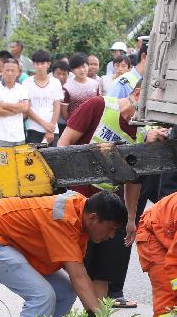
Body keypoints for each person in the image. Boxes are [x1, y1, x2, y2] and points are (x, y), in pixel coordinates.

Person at [57, 82, 168, 305]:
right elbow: (64, 143)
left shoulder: (142, 134)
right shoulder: (98, 106)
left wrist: (129, 218)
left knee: (104, 268)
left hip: (109, 208)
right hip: (78, 203)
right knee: (75, 267)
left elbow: (132, 180)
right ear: (137, 94)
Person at [0, 191, 127, 317]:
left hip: (12, 242)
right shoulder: (63, 219)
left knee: (65, 291)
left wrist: (98, 315)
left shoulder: (81, 209)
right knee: (42, 296)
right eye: (110, 228)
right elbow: (78, 275)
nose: (112, 235)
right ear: (92, 218)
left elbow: (79, 276)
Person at [22, 50, 63, 145]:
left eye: (43, 63)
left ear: (48, 64)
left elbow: (57, 107)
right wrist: (44, 124)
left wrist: (50, 129)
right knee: (33, 158)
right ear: (33, 64)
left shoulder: (56, 82)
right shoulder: (26, 83)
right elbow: (27, 108)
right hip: (34, 128)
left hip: (53, 130)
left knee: (53, 159)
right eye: (37, 63)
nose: (40, 66)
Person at [0, 59, 30, 147]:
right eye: (7, 70)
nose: (10, 73)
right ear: (2, 70)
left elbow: (25, 108)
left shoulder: (23, 89)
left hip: (18, 137)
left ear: (18, 72)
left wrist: (4, 105)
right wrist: (17, 109)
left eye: (13, 70)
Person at [61, 53, 100, 121]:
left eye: (84, 66)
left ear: (88, 66)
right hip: (74, 124)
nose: (82, 70)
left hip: (93, 123)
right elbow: (64, 111)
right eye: (78, 68)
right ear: (72, 70)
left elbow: (99, 104)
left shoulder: (95, 84)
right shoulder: (67, 87)